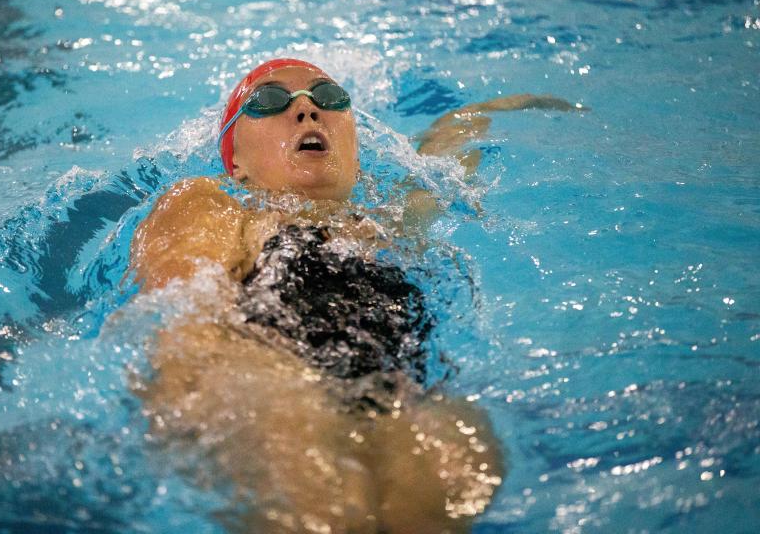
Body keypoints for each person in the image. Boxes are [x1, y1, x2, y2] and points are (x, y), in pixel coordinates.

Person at [129, 58, 575, 533]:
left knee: (448, 480)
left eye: (329, 97)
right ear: (235, 162)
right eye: (270, 100)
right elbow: (185, 312)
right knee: (328, 513)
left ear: (356, 151)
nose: (306, 110)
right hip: (266, 373)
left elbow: (445, 152)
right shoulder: (209, 202)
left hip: (397, 390)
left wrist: (506, 103)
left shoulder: (392, 224)